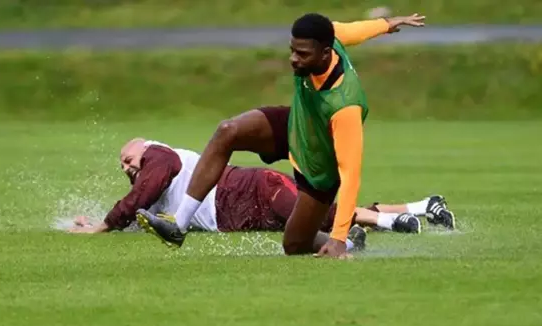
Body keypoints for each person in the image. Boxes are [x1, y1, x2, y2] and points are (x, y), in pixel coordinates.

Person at [135, 13, 427, 258]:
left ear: (326, 53)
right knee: (228, 131)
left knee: (294, 245)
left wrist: (337, 239)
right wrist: (388, 23)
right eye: (292, 50)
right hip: (294, 125)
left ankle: (351, 242)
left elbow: (350, 174)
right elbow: (355, 30)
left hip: (318, 164)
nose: (293, 59)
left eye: (302, 54)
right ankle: (178, 226)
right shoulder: (329, 36)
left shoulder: (345, 105)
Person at [69, 139, 455, 243]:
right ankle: (424, 205)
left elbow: (145, 189)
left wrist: (104, 226)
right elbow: (143, 211)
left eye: (128, 158)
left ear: (144, 148)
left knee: (317, 215)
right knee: (322, 213)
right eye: (122, 166)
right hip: (241, 208)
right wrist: (106, 223)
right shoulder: (151, 176)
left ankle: (391, 222)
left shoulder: (158, 157)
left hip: (251, 190)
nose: (127, 167)